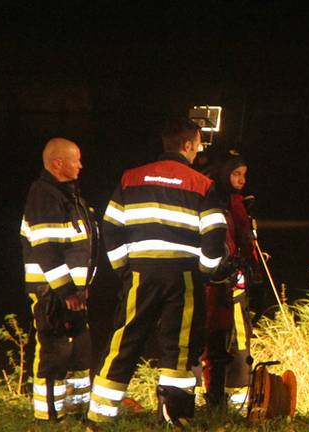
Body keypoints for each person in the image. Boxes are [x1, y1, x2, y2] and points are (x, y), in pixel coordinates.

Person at [87, 118, 228, 426]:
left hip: (140, 272)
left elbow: (109, 227)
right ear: (188, 145)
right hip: (183, 274)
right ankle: (173, 415)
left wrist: (124, 267)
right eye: (199, 144)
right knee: (179, 345)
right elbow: (216, 234)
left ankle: (98, 416)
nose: (199, 150)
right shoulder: (201, 184)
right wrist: (204, 270)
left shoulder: (130, 179)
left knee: (124, 339)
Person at [20, 138, 99, 421]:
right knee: (55, 351)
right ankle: (49, 416)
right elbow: (46, 249)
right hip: (51, 292)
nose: (81, 164)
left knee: (78, 351)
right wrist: (65, 290)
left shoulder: (68, 195)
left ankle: (76, 411)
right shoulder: (44, 195)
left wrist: (80, 289)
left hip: (72, 293)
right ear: (58, 164)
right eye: (75, 159)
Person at [199, 149, 261, 408]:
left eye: (244, 175)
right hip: (214, 281)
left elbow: (245, 237)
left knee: (230, 338)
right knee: (211, 337)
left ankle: (224, 396)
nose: (241, 180)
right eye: (236, 174)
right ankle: (211, 395)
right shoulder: (216, 199)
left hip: (231, 280)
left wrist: (253, 265)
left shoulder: (234, 201)